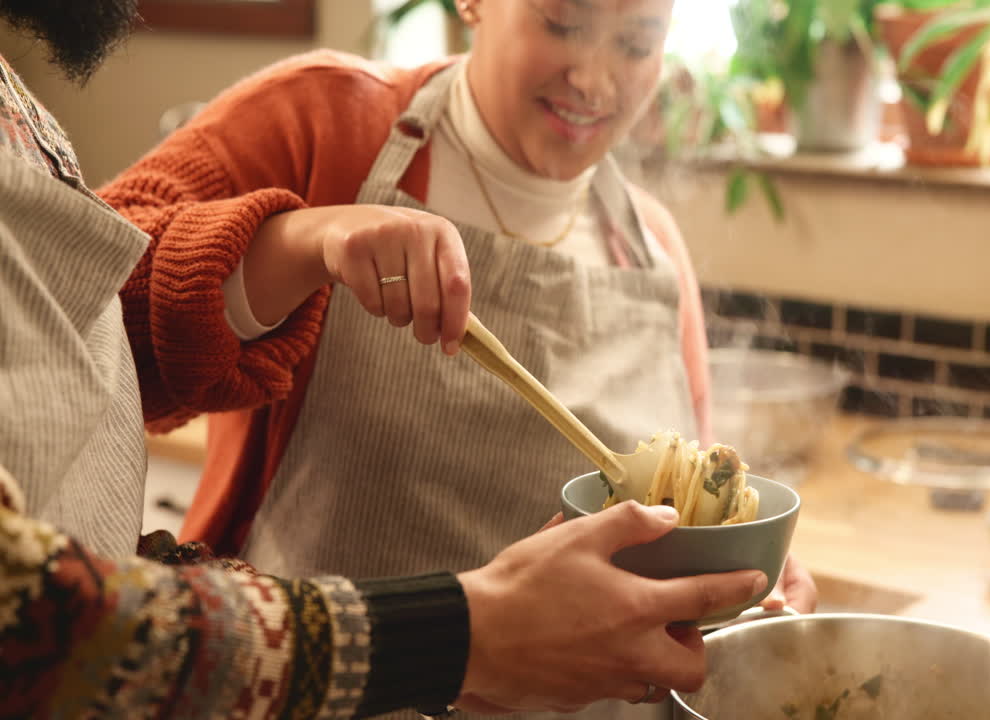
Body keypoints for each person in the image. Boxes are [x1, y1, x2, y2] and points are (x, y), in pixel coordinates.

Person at [0, 2, 767, 718]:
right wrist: (297, 244)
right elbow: (89, 309)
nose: (595, 79)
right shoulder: (321, 122)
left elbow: (672, 538)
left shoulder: (652, 248)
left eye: (637, 43)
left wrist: (738, 585)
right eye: (561, 22)